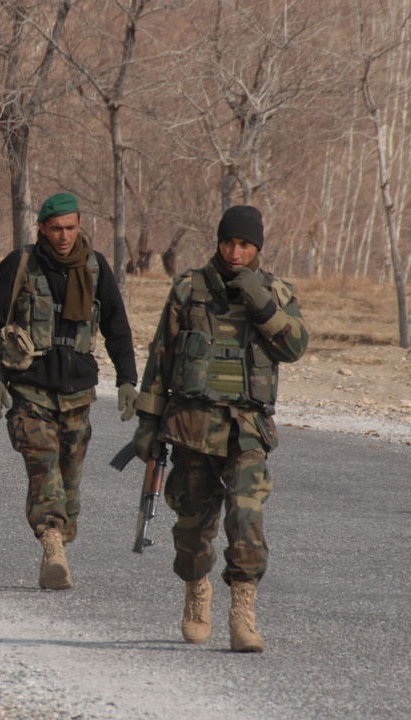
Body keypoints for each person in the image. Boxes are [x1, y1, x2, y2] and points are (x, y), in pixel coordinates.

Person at [127, 204, 309, 652]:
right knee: (192, 530)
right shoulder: (189, 289)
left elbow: (295, 347)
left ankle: (242, 610)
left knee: (247, 519)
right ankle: (196, 589)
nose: (235, 252)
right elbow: (161, 357)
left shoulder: (276, 293)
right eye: (228, 242)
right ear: (218, 242)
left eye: (245, 245)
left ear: (257, 248)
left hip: (248, 431)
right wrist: (148, 424)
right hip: (192, 427)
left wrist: (261, 303)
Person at [0, 192, 139, 591]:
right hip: (30, 391)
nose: (64, 236)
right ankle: (52, 547)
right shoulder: (22, 265)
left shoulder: (95, 267)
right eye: (56, 229)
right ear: (42, 230)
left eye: (70, 228)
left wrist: (128, 381)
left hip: (78, 394)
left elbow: (118, 329)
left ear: (80, 225)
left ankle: (60, 539)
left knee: (69, 484)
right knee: (44, 467)